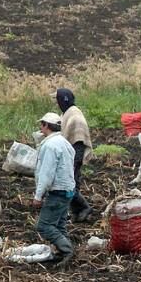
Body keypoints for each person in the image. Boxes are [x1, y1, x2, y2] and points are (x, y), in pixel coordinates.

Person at [33, 113, 76, 266]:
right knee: (59, 225)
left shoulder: (50, 146)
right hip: (68, 190)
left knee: (44, 226)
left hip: (57, 191)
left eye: (41, 124)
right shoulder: (64, 142)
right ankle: (62, 252)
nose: (40, 128)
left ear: (46, 125)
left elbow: (46, 174)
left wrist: (38, 196)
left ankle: (67, 250)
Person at [56, 88, 93, 222]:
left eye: (58, 100)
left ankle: (84, 207)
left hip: (75, 153)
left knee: (69, 185)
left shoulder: (74, 116)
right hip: (72, 152)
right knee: (73, 183)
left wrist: (75, 160)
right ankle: (77, 213)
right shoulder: (69, 113)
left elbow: (78, 138)